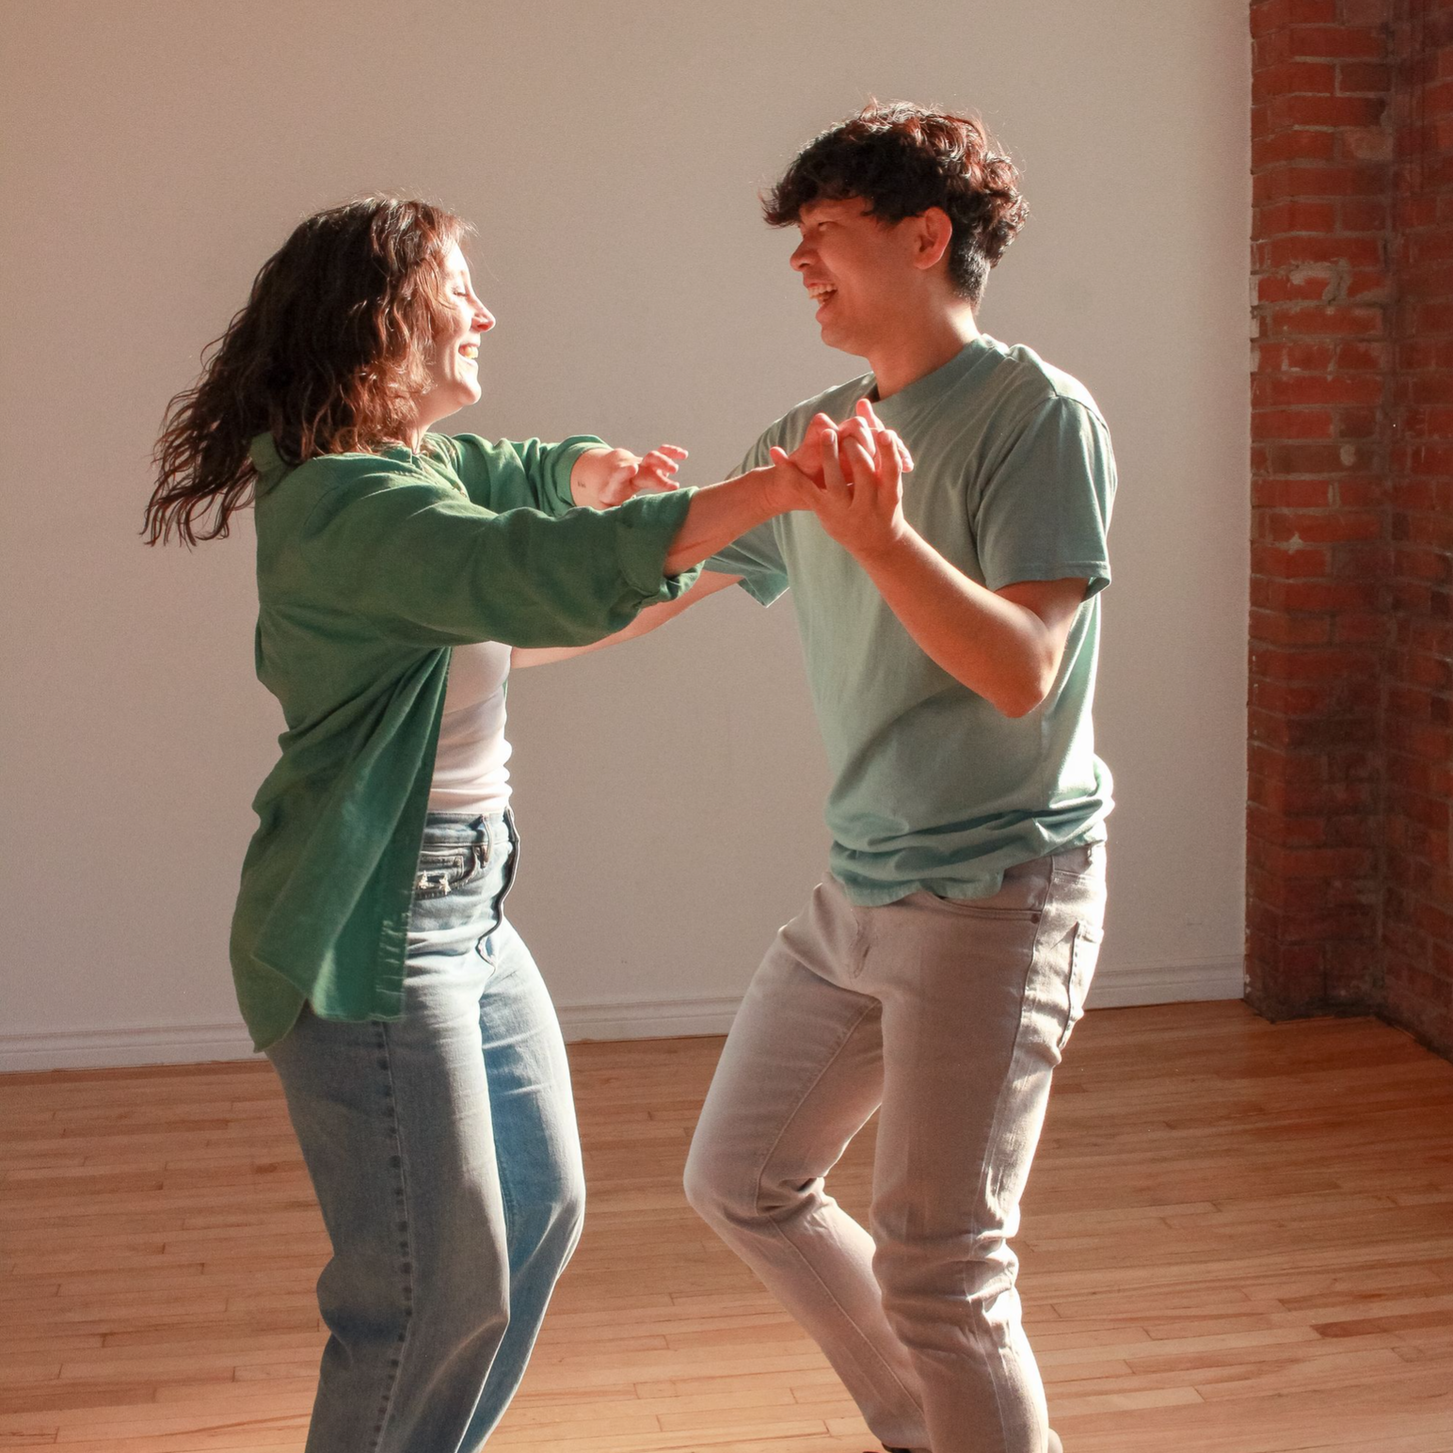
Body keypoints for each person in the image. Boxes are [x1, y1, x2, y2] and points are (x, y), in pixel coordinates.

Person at [141, 196, 884, 1453]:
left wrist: (587, 472)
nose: (485, 315)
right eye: (456, 293)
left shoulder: (408, 472)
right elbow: (536, 572)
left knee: (535, 1212)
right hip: (373, 928)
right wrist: (772, 491)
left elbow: (512, 479)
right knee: (424, 1290)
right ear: (379, 323)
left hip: (468, 914)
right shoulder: (349, 510)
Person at [676, 104, 1117, 1453]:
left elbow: (1022, 668)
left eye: (827, 232)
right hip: (861, 884)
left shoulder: (1036, 416)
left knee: (944, 1267)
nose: (800, 261)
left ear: (927, 238)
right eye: (797, 238)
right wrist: (490, 608)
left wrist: (881, 542)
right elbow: (662, 585)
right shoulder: (815, 432)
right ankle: (931, 1433)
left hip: (999, 891)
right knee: (741, 1178)